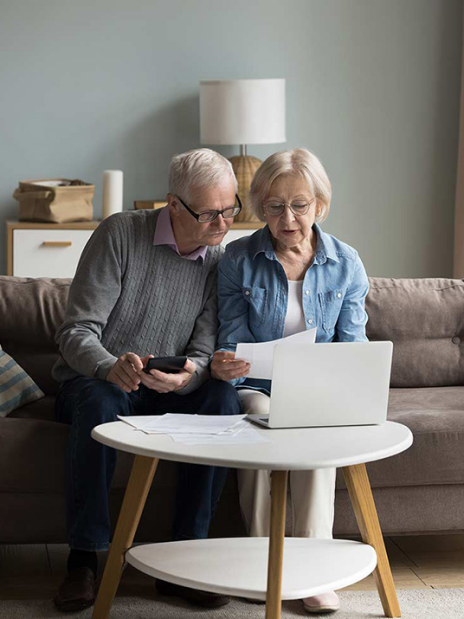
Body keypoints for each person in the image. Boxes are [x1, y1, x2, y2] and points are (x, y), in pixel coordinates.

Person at [52, 148, 244, 612]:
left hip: (167, 390)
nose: (222, 224)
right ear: (173, 205)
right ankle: (85, 559)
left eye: (231, 208)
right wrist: (108, 366)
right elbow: (76, 331)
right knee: (101, 398)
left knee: (223, 399)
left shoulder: (220, 260)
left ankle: (185, 559)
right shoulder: (120, 234)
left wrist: (191, 376)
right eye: (210, 213)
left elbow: (202, 350)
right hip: (95, 382)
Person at [211, 148, 369, 614]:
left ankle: (314, 571)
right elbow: (232, 337)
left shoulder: (347, 263)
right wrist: (227, 362)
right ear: (260, 207)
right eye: (275, 206)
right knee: (257, 420)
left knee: (319, 431)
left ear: (319, 205)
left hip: (317, 391)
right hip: (257, 388)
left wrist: (338, 385)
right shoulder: (237, 259)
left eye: (299, 205)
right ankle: (263, 564)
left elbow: (353, 345)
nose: (288, 218)